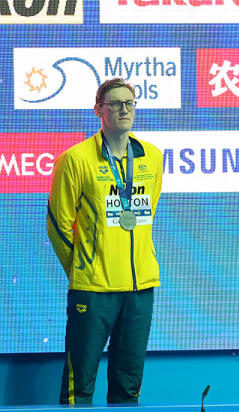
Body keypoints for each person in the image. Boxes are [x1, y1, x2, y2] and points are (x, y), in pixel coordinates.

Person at [47, 78, 164, 403]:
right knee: (79, 386)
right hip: (93, 288)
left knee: (129, 387)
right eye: (115, 103)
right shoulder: (76, 159)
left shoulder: (151, 157)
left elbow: (146, 213)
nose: (124, 109)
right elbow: (58, 224)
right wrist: (82, 269)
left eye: (129, 103)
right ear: (98, 109)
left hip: (140, 288)